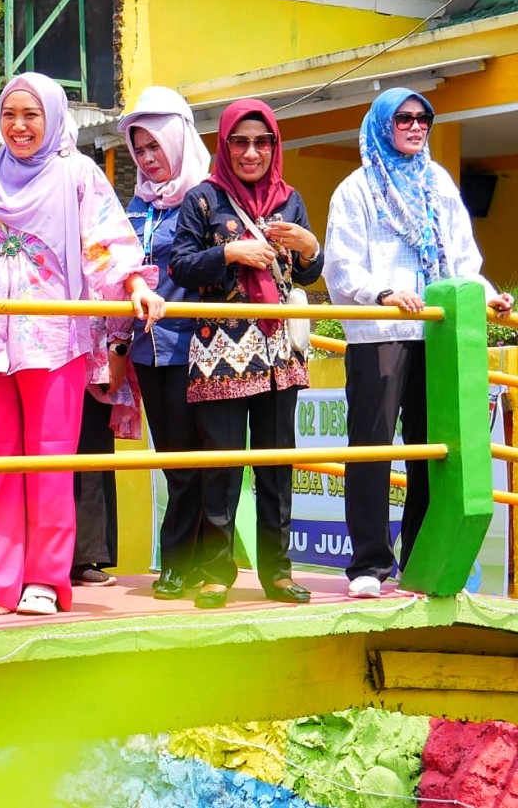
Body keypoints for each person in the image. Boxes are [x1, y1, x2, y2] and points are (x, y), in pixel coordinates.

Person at [0, 72, 162, 621]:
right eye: (10, 114)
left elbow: (107, 243)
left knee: (50, 464)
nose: (19, 126)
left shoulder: (77, 174)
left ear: (54, 118)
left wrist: (134, 286)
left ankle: (44, 577)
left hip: (56, 339)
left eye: (31, 115)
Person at [325, 87, 513, 599]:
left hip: (437, 332)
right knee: (371, 446)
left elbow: (461, 260)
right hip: (381, 331)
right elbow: (341, 267)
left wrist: (487, 297)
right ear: (382, 125)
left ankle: (420, 558)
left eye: (423, 118)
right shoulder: (356, 188)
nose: (414, 126)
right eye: (403, 118)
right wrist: (383, 292)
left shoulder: (438, 184)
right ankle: (368, 564)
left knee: (432, 451)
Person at [169, 98, 323, 609]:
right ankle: (217, 574)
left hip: (279, 350)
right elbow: (181, 267)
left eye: (262, 142)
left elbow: (301, 276)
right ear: (225, 145)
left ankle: (279, 574)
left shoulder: (290, 198)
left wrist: (309, 248)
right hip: (220, 350)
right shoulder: (203, 200)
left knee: (277, 464)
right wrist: (230, 252)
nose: (252, 152)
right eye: (241, 141)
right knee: (223, 465)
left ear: (274, 146)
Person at [112, 85, 216, 599]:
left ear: (179, 140)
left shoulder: (210, 200)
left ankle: (187, 560)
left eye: (156, 146)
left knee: (200, 456)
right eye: (140, 150)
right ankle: (185, 558)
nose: (149, 159)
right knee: (175, 458)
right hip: (149, 352)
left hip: (200, 348)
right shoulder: (137, 207)